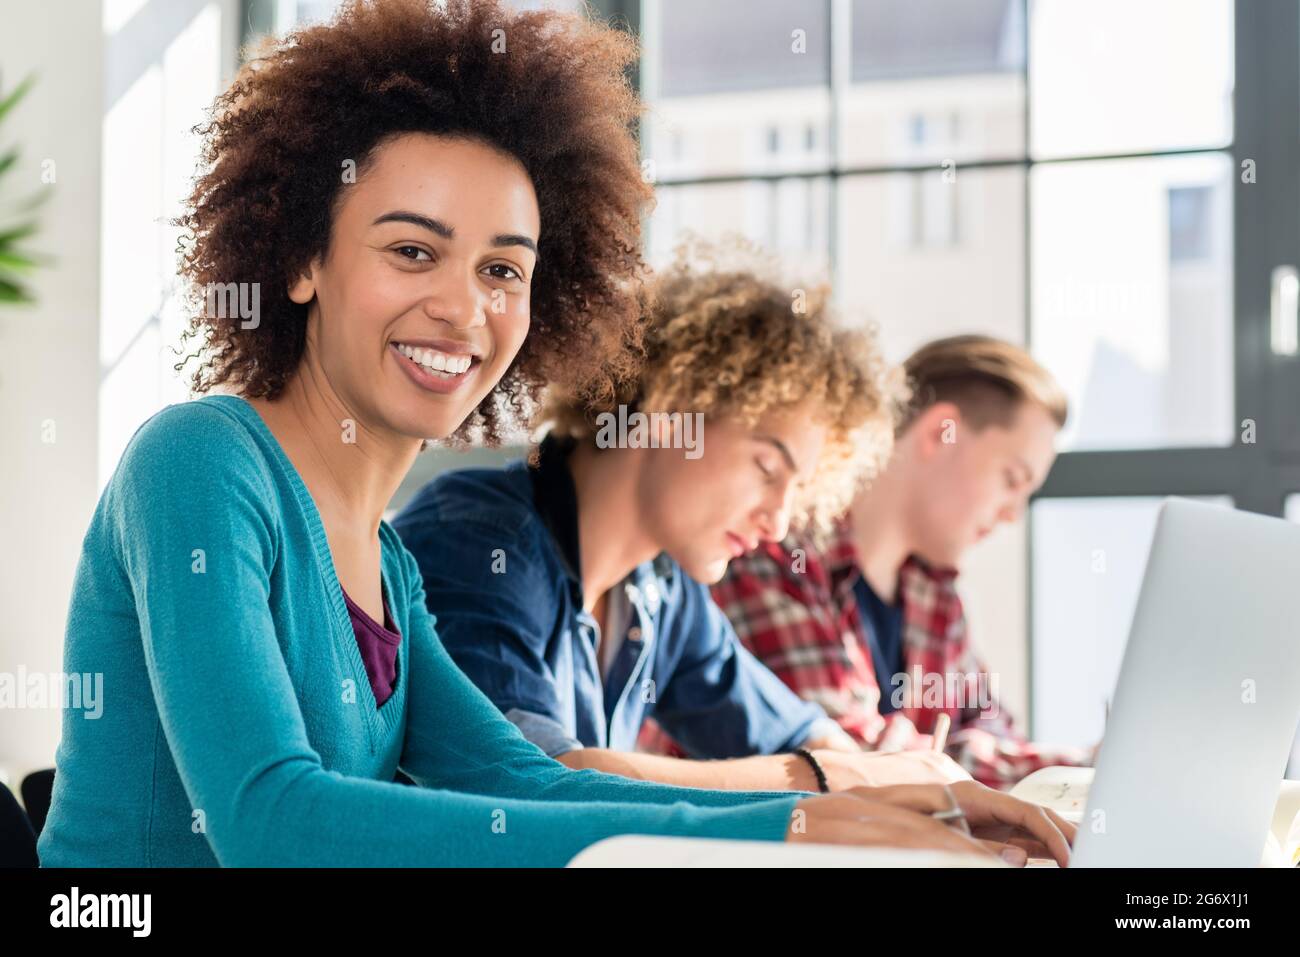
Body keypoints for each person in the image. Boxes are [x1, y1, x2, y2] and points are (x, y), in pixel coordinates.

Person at [38, 2, 1073, 866]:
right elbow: (272, 820)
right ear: (302, 261)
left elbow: (517, 780)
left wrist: (831, 818)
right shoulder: (201, 463)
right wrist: (806, 818)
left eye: (502, 270)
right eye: (412, 251)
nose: (462, 308)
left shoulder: (388, 563)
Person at [396, 246, 979, 794]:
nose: (777, 525)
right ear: (674, 412)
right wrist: (828, 775)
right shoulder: (478, 539)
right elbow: (539, 780)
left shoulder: (662, 590)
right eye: (767, 466)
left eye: (797, 492)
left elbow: (793, 733)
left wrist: (877, 768)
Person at [707, 335, 1093, 789]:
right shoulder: (774, 552)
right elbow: (849, 761)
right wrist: (1077, 769)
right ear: (938, 433)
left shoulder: (934, 593)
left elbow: (990, 731)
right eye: (1012, 480)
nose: (1013, 514)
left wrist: (1081, 769)